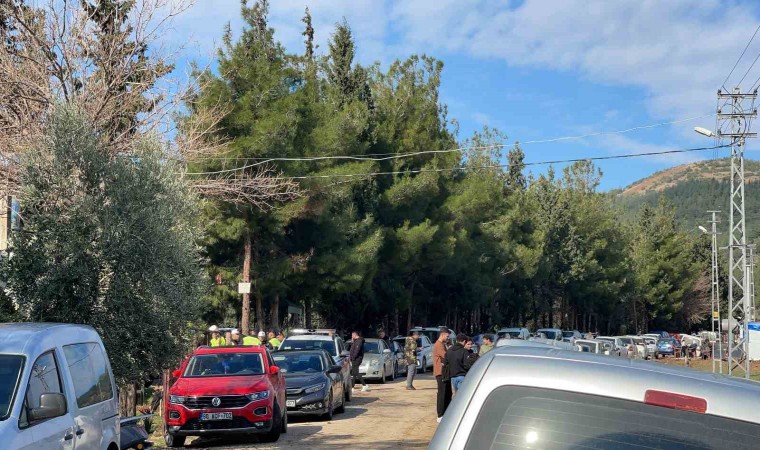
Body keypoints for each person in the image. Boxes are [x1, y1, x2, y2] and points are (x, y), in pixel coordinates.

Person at [433, 327, 452, 423]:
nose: (448, 338)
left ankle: (446, 413)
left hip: (444, 372)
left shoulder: (442, 344)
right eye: (447, 336)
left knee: (448, 393)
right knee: (442, 393)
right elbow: (446, 356)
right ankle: (440, 414)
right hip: (441, 372)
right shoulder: (438, 345)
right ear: (442, 335)